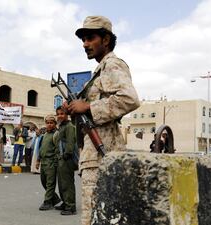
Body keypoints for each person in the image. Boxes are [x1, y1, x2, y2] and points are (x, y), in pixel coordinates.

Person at [64, 16, 140, 224]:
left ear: (105, 40)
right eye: (83, 39)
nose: (85, 44)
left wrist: (88, 106)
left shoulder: (112, 65)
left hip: (103, 154)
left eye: (90, 38)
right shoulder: (98, 72)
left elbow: (130, 98)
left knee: (98, 216)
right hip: (93, 155)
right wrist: (75, 111)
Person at [35, 115, 61, 210]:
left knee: (50, 183)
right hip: (43, 162)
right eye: (47, 123)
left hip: (51, 162)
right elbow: (41, 149)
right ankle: (55, 198)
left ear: (55, 124)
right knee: (44, 182)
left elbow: (58, 150)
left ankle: (47, 202)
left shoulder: (56, 134)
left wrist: (55, 162)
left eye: (51, 123)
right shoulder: (45, 135)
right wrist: (38, 160)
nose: (49, 125)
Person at [55, 106, 77, 215]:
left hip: (67, 158)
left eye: (62, 113)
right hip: (61, 158)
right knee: (62, 183)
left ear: (66, 115)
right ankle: (65, 202)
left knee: (67, 183)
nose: (60, 116)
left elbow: (70, 143)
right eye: (58, 114)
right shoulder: (61, 126)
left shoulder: (69, 126)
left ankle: (70, 206)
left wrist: (66, 155)